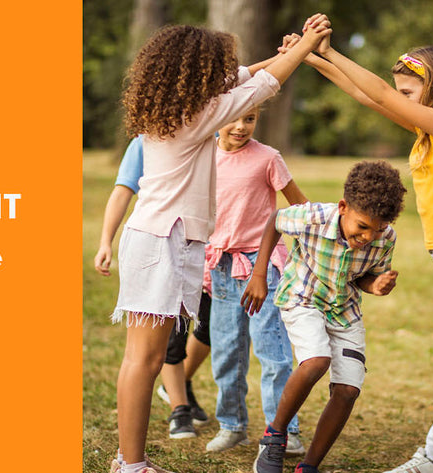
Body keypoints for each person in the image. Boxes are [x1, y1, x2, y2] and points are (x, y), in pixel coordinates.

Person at [109, 17, 331, 473]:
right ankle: (131, 464)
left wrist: (294, 52)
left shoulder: (177, 106)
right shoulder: (197, 116)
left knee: (143, 358)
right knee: (144, 359)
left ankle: (130, 460)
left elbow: (248, 75)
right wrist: (307, 43)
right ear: (197, 75)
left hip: (160, 238)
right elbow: (263, 84)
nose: (224, 77)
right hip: (161, 241)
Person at [300, 22, 433, 472]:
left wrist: (332, 52)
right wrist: (311, 55)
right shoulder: (428, 132)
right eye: (400, 91)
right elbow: (368, 96)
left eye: (408, 92)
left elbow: (379, 92)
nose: (399, 99)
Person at [244, 161, 406, 473]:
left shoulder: (386, 238)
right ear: (343, 207)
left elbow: (364, 278)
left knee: (348, 391)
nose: (370, 236)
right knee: (317, 360)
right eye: (362, 226)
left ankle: (309, 466)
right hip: (302, 297)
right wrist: (259, 274)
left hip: (344, 310)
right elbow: (276, 220)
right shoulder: (314, 217)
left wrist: (377, 285)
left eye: (379, 228)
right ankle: (274, 436)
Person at [204, 107, 309, 455]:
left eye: (250, 118)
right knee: (226, 351)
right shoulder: (202, 156)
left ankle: (285, 431)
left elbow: (299, 207)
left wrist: (311, 254)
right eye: (234, 117)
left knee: (272, 352)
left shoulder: (267, 158)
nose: (240, 126)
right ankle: (232, 425)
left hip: (261, 265)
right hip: (221, 265)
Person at [95, 135, 214, 440]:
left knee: (200, 333)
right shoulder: (143, 143)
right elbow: (123, 191)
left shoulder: (211, 135)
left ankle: (133, 455)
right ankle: (177, 408)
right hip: (161, 246)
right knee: (153, 351)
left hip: (201, 250)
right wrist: (105, 241)